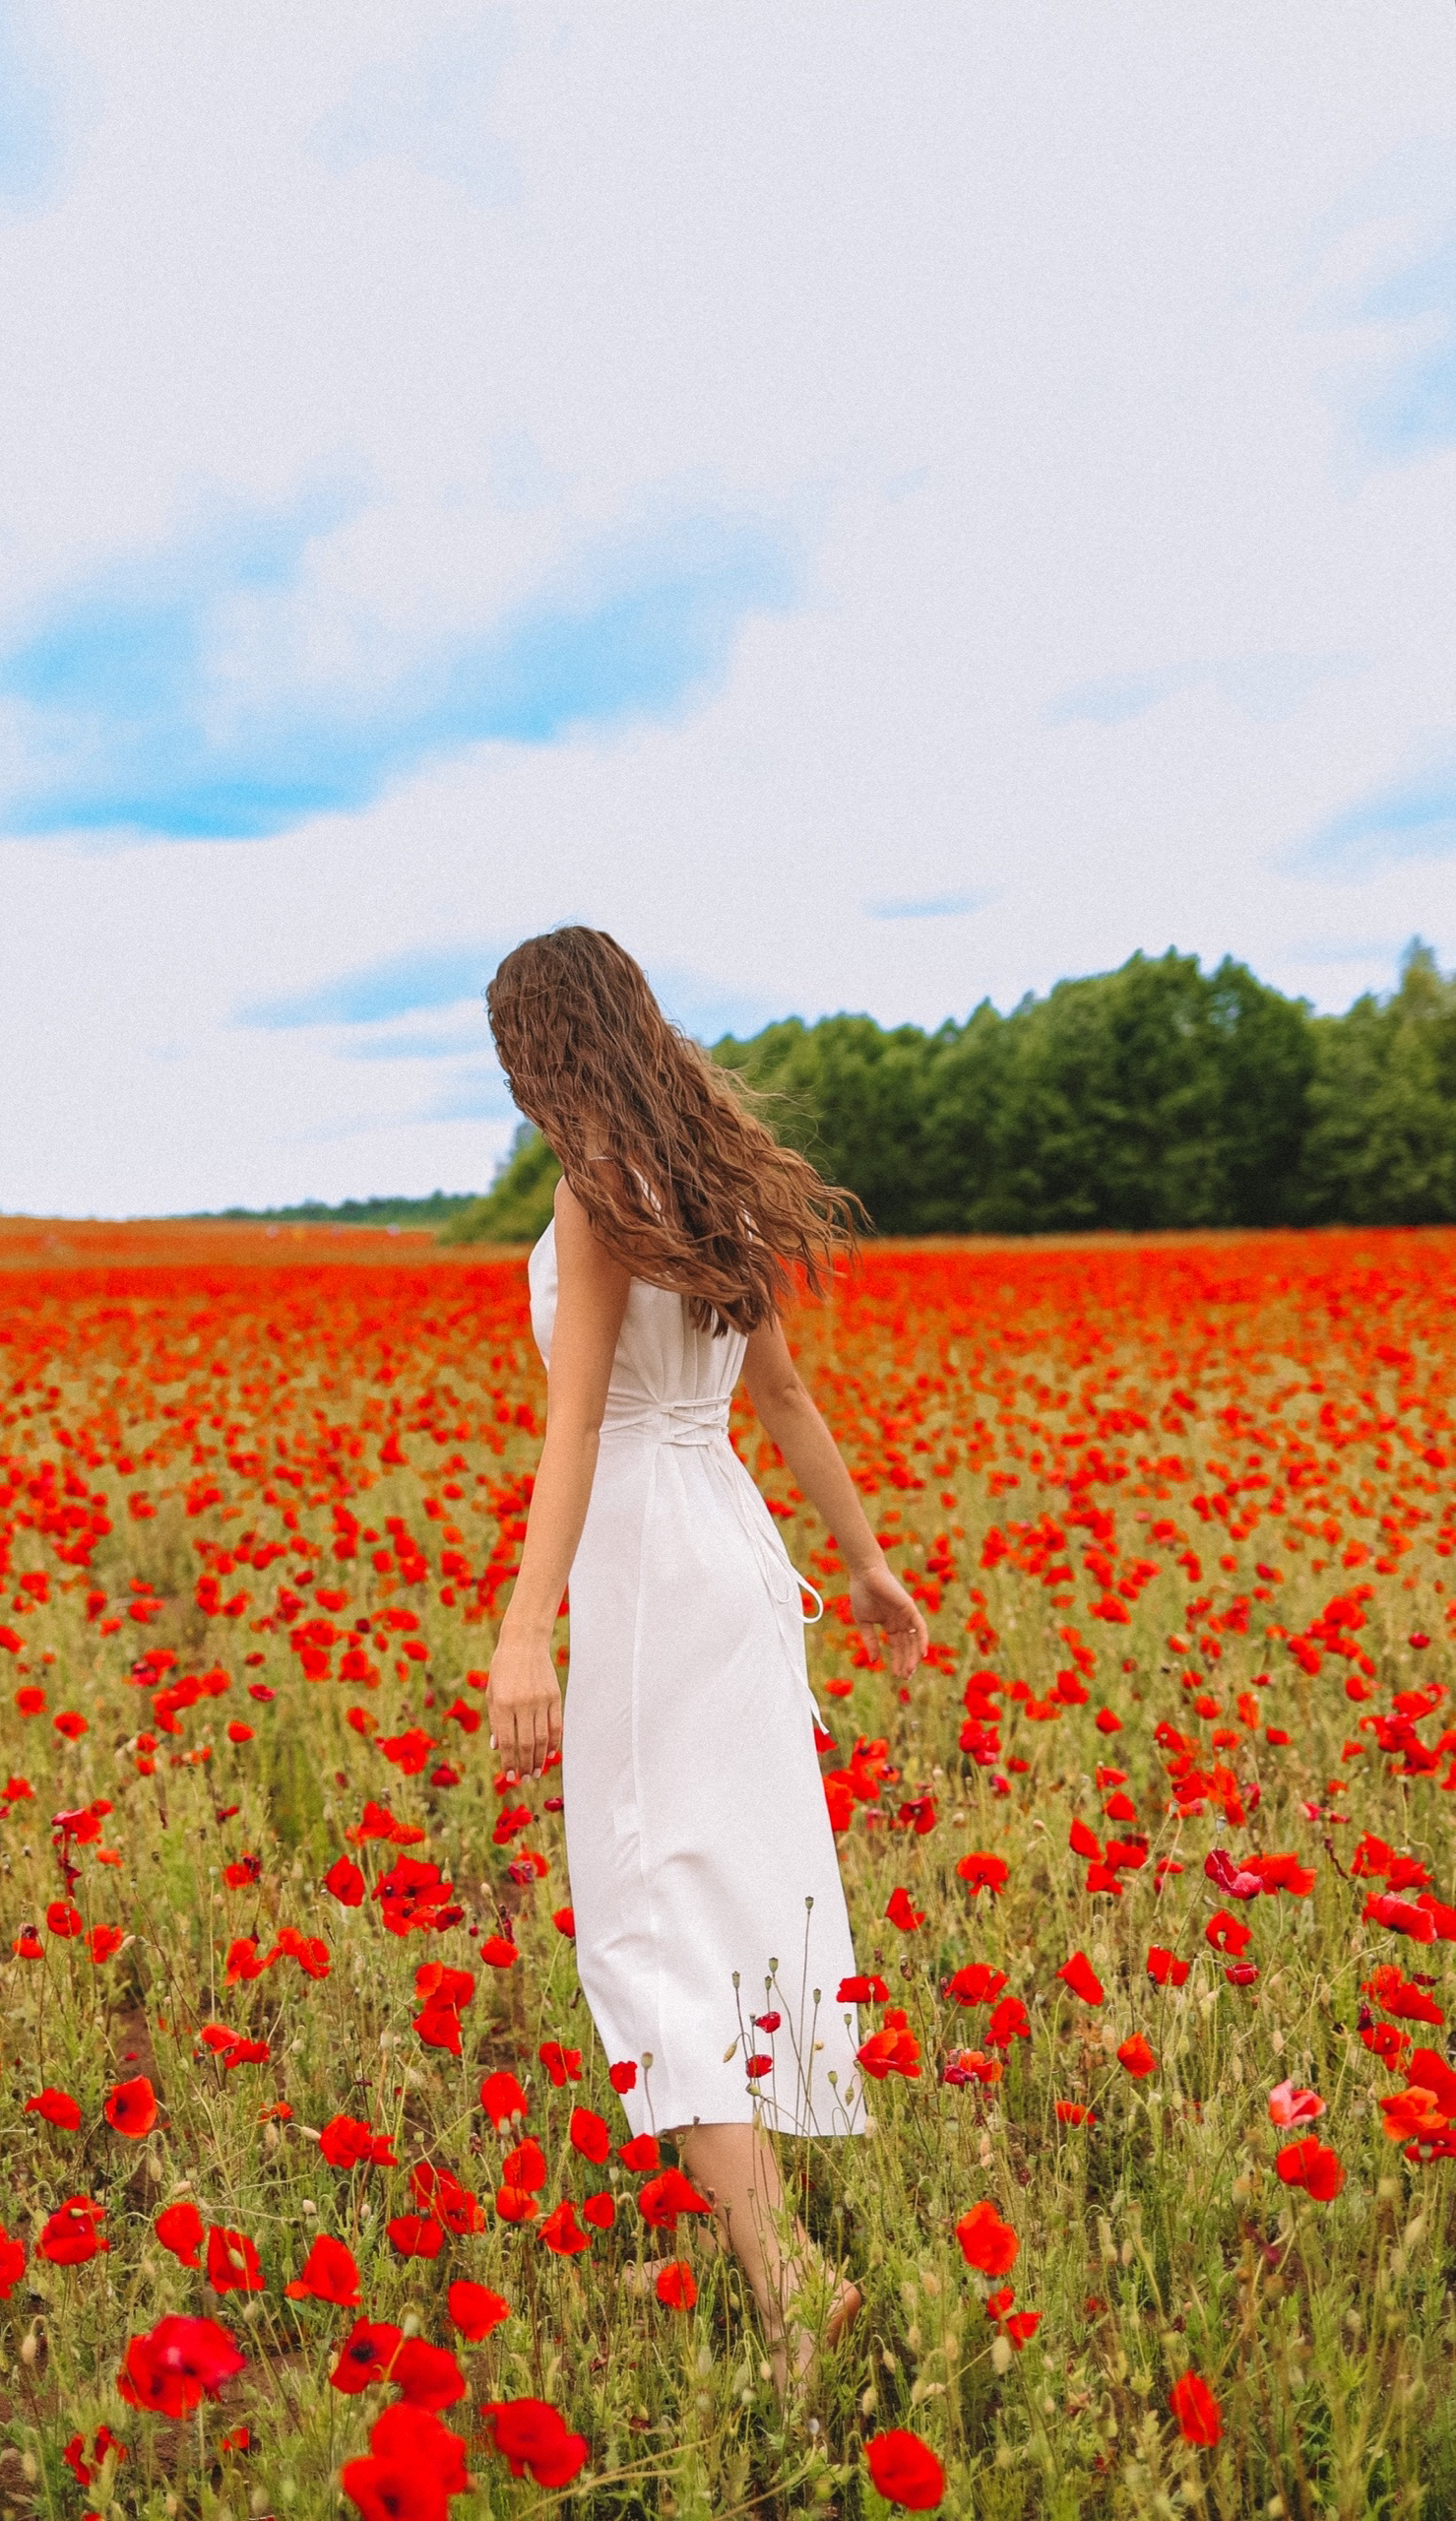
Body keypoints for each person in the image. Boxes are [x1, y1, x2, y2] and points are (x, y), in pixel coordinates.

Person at [482, 927, 928, 2392]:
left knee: (651, 1917)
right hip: (732, 1548)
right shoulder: (705, 1183)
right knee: (724, 1891)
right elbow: (783, 1395)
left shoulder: (596, 1192)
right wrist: (860, 1565)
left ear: (539, 1050)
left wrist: (519, 1625)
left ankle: (788, 2291)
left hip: (645, 1562)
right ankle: (775, 2251)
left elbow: (574, 1427)